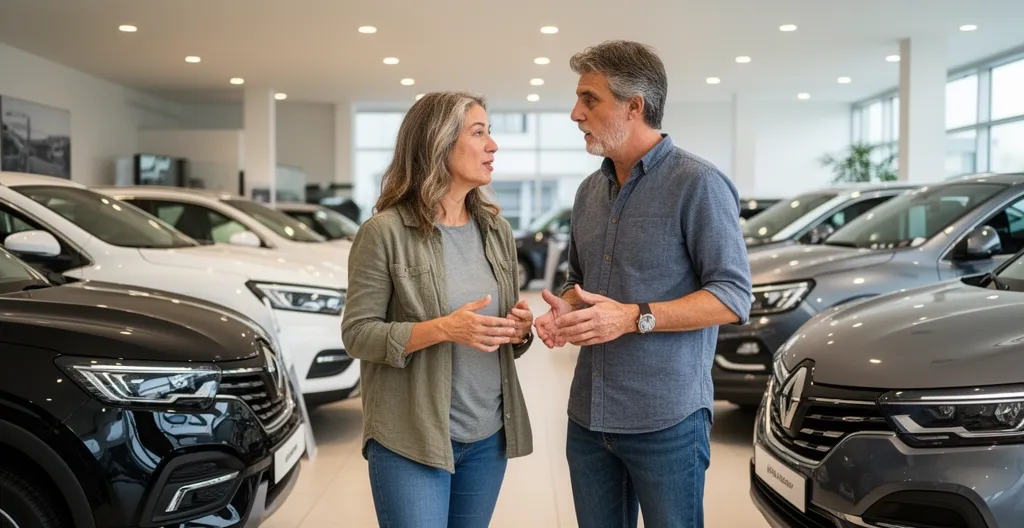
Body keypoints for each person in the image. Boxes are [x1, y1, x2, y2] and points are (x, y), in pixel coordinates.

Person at [534, 40, 753, 528]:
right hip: (588, 417)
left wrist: (634, 317)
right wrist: (566, 308)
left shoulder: (698, 184)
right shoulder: (589, 191)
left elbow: (733, 296)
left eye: (589, 99)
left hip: (667, 420)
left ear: (634, 106)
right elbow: (579, 281)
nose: (575, 113)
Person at [341, 91, 536, 528]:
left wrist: (520, 329)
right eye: (479, 132)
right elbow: (357, 334)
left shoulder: (496, 230)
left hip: (487, 435)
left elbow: (499, 332)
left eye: (491, 133)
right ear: (439, 142)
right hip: (411, 436)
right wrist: (443, 329)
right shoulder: (383, 232)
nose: (493, 145)